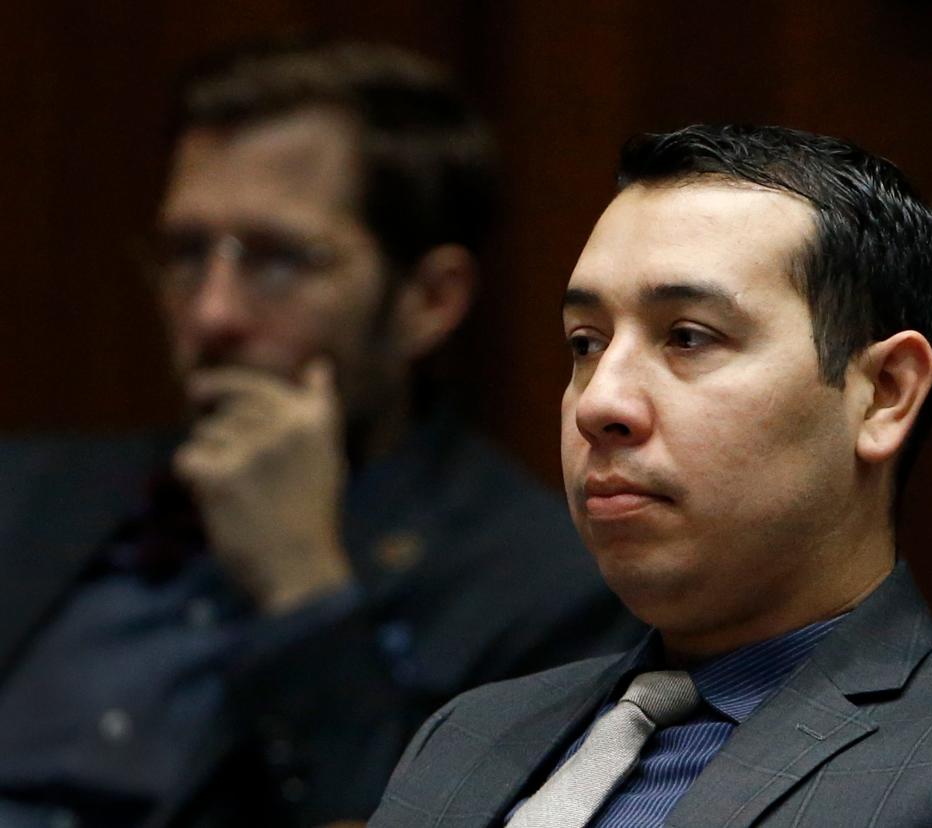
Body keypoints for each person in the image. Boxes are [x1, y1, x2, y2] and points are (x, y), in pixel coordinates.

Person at [370, 124, 932, 827]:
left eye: (687, 336)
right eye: (585, 342)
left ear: (884, 394)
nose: (599, 401)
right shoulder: (464, 739)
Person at [0, 39, 640, 828]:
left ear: (428, 300)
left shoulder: (547, 587)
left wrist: (303, 588)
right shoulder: (23, 491)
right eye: (186, 254)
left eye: (278, 261)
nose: (211, 314)